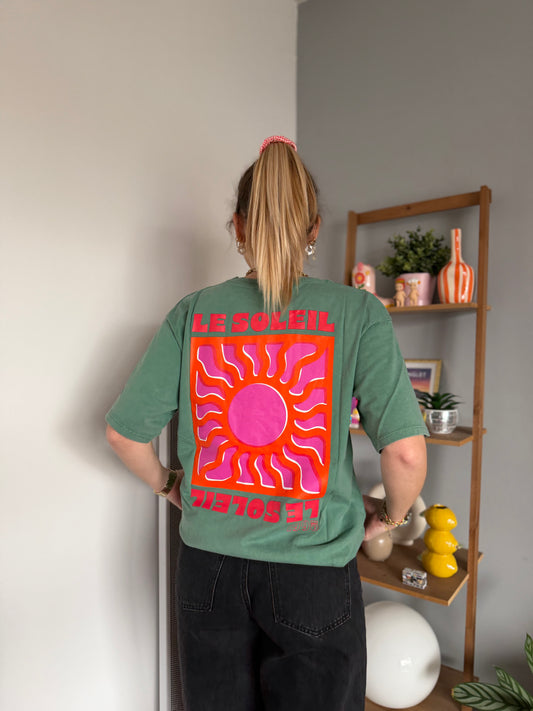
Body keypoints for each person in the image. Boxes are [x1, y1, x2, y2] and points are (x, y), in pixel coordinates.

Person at [105, 135, 427, 711]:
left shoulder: (192, 313)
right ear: (314, 228)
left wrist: (169, 485)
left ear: (238, 227)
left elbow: (124, 434)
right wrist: (391, 516)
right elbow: (404, 454)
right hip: (314, 573)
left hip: (208, 570)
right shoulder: (357, 312)